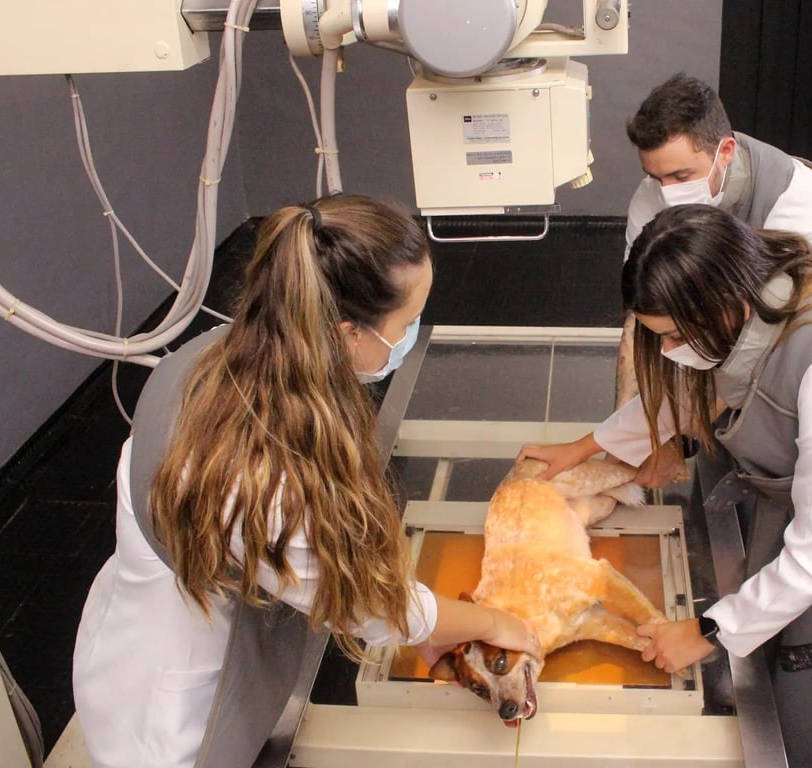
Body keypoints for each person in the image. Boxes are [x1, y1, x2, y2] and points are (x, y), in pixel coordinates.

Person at [73, 195, 541, 768]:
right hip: (174, 719)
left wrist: (428, 623)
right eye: (406, 323)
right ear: (346, 333)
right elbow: (369, 606)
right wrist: (494, 621)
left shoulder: (223, 353)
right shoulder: (254, 476)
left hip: (132, 627)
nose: (411, 333)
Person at [522, 205, 812, 756]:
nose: (667, 351)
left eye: (673, 335)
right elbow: (692, 395)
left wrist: (704, 633)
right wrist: (584, 448)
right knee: (786, 644)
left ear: (723, 303)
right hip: (807, 509)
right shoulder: (749, 304)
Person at [616, 73, 812, 446]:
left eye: (681, 175)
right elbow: (647, 311)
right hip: (720, 330)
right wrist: (624, 443)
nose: (668, 193)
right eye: (657, 177)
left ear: (725, 151)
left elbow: (764, 335)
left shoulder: (800, 204)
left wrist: (668, 438)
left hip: (797, 344)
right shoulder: (652, 195)